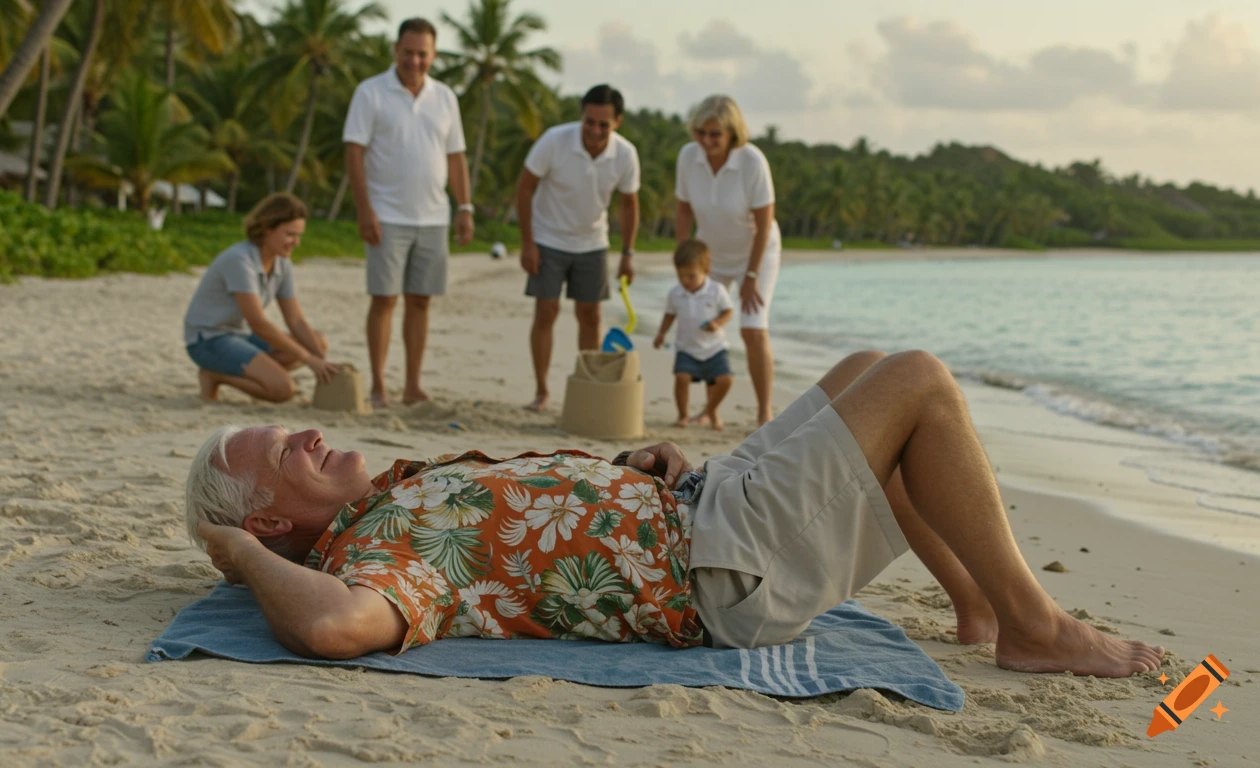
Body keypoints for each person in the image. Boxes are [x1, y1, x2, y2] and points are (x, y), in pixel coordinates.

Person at [185, 349, 1165, 681]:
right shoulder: (382, 549)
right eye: (282, 456)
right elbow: (329, 625)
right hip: (720, 568)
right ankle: (1036, 629)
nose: (304, 439)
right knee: (917, 383)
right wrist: (228, 552)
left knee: (865, 370)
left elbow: (530, 521)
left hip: (698, 507)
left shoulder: (396, 490)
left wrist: (630, 474)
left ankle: (979, 608)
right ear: (270, 525)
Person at [343, 17, 474, 409]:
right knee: (384, 299)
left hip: (434, 216)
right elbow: (354, 153)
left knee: (421, 301)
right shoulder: (370, 93)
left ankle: (413, 385)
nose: (415, 61)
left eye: (423, 54)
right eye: (408, 52)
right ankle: (380, 386)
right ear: (395, 51)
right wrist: (364, 209)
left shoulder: (445, 97)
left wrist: (464, 206)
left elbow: (456, 157)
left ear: (433, 55)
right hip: (385, 214)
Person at [516, 84, 640, 412]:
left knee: (591, 315)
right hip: (548, 238)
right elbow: (524, 188)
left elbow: (629, 206)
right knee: (546, 311)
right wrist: (527, 243)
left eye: (604, 124)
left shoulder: (625, 154)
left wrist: (628, 253)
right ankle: (542, 391)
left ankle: (588, 388)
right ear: (581, 116)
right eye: (590, 121)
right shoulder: (554, 141)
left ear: (617, 122)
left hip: (593, 242)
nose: (595, 130)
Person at [675, 94, 780, 425]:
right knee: (706, 329)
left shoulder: (752, 161)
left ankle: (764, 414)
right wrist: (685, 257)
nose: (707, 141)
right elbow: (683, 210)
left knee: (753, 329)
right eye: (701, 133)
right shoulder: (689, 157)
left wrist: (750, 275)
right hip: (711, 256)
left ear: (732, 132)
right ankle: (710, 411)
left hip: (756, 254)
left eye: (715, 134)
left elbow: (764, 222)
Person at [183, 193, 339, 403]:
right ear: (267, 228)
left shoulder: (282, 263)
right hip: (209, 339)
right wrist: (308, 359)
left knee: (318, 342)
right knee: (283, 390)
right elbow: (258, 323)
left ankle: (259, 369)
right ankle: (214, 374)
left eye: (299, 235)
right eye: (290, 234)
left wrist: (321, 360)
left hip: (241, 335)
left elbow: (296, 320)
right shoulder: (240, 260)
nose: (296, 242)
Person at [653, 240, 735, 430]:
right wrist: (661, 333)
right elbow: (669, 315)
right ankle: (684, 415)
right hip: (687, 348)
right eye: (681, 276)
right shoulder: (675, 294)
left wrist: (717, 323)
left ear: (706, 270)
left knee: (724, 380)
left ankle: (710, 410)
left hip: (715, 347)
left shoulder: (716, 290)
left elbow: (728, 311)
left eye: (691, 276)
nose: (686, 281)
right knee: (681, 378)